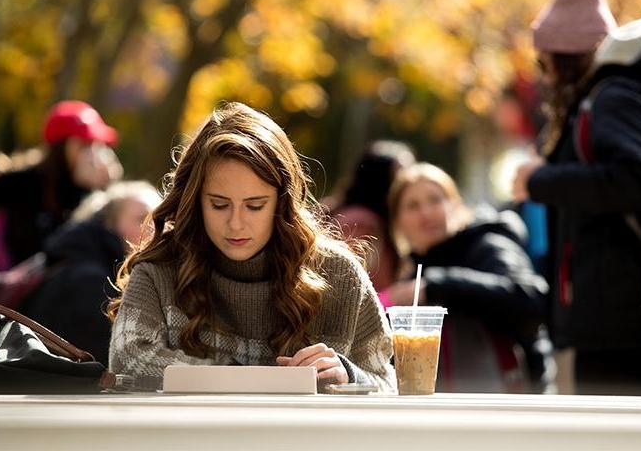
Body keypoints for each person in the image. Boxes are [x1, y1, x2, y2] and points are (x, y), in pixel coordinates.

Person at [512, 0, 641, 395]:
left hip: (626, 331)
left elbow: (636, 179)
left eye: (543, 62)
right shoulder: (600, 101)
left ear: (564, 57)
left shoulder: (616, 98)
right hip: (610, 324)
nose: (543, 76)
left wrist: (539, 181)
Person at [107, 102, 396, 392]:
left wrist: (349, 375)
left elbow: (388, 384)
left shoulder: (339, 273)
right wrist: (257, 381)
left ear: (283, 203)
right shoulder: (160, 269)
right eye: (219, 205)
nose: (236, 224)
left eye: (255, 206)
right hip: (194, 438)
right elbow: (127, 362)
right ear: (195, 201)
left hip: (305, 439)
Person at [384, 162, 547, 393]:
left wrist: (436, 288)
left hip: (509, 403)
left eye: (435, 200)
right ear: (398, 222)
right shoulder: (411, 276)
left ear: (455, 205)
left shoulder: (488, 246)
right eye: (413, 206)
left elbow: (532, 301)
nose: (426, 213)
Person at [0, 100, 123, 279]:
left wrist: (108, 189)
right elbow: (46, 259)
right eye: (84, 145)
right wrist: (86, 191)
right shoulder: (23, 191)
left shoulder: (93, 189)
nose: (93, 155)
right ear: (61, 148)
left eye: (96, 145)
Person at [21, 181, 161, 364]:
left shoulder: (88, 265)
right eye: (141, 219)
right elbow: (113, 360)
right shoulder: (89, 281)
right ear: (110, 224)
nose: (156, 229)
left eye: (159, 220)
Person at [328, 140, 415, 292]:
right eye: (402, 178)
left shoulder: (383, 223)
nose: (411, 183)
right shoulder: (360, 224)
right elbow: (342, 287)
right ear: (379, 180)